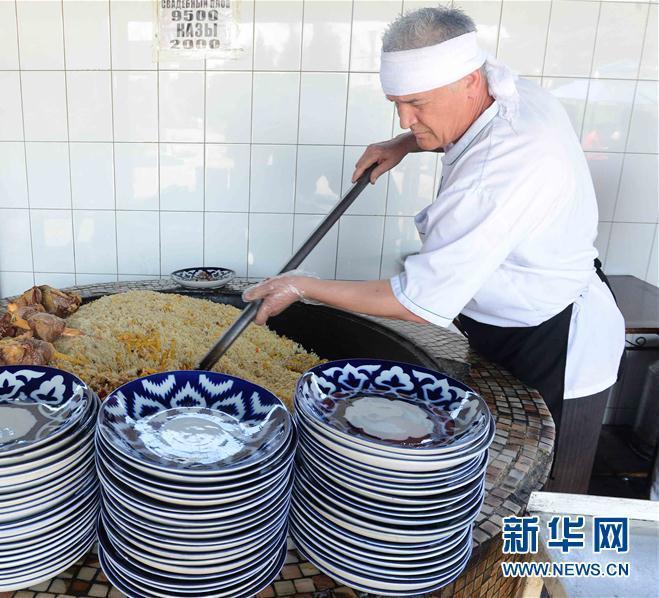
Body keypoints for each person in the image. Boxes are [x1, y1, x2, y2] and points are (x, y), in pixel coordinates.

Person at [243, 7, 624, 493]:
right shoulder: (507, 90)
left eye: (416, 104)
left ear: (468, 81)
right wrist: (407, 142)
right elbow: (472, 126)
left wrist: (302, 286)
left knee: (534, 492)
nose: (405, 117)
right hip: (509, 320)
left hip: (554, 340)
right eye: (396, 103)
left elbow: (416, 301)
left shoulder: (498, 173)